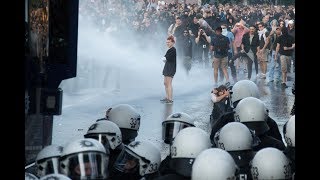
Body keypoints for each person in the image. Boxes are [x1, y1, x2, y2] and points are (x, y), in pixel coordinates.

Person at [161, 35, 177, 104]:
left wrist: (164, 58)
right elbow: (165, 58)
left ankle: (170, 99)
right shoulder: (170, 50)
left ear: (173, 43)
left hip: (170, 68)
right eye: (167, 42)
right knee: (165, 83)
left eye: (169, 42)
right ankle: (167, 97)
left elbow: (165, 58)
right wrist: (164, 58)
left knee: (169, 83)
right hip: (167, 67)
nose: (167, 43)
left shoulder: (173, 49)